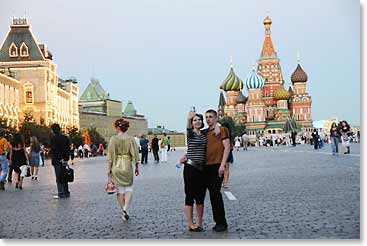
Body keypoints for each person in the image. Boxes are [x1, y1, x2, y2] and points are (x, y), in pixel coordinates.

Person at [107, 119, 139, 221]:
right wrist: (137, 166)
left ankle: (124, 211)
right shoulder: (131, 139)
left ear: (118, 127)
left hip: (116, 165)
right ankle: (126, 208)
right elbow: (135, 154)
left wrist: (109, 169)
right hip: (127, 165)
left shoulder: (113, 139)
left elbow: (111, 155)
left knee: (120, 191)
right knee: (129, 188)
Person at [204, 109, 230, 232]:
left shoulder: (222, 130)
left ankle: (222, 222)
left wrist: (222, 165)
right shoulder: (205, 132)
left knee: (215, 194)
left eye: (210, 117)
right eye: (206, 117)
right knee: (212, 195)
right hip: (206, 166)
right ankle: (217, 221)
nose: (208, 119)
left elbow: (227, 147)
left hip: (217, 165)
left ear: (216, 118)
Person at [181, 111, 207, 232]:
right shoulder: (190, 134)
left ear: (202, 123)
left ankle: (200, 222)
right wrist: (188, 118)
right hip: (190, 168)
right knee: (189, 196)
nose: (197, 122)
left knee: (200, 197)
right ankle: (191, 223)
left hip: (202, 169)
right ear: (192, 123)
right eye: (195, 120)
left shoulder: (204, 134)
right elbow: (187, 127)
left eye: (199, 120)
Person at [50, 124, 71, 199]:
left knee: (59, 177)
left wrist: (59, 158)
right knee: (64, 176)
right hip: (64, 160)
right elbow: (68, 149)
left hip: (57, 160)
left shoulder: (54, 139)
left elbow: (54, 150)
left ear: (53, 130)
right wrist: (66, 158)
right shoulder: (65, 138)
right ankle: (66, 192)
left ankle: (61, 193)